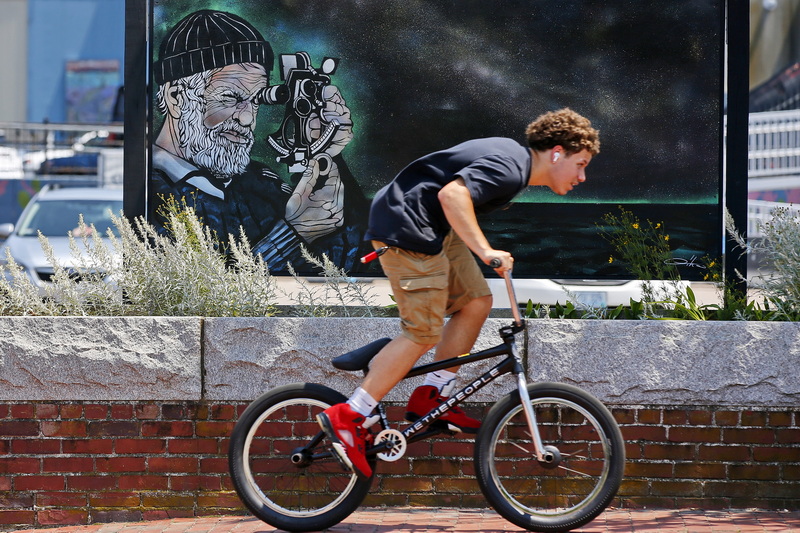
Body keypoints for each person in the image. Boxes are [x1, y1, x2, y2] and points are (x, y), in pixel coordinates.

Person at [316, 108, 601, 479]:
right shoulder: (512, 166)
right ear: (557, 153)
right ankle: (350, 413)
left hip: (432, 228)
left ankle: (432, 395)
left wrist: (481, 248)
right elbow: (454, 195)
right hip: (407, 228)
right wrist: (486, 251)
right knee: (423, 330)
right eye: (580, 164)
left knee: (476, 302)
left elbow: (450, 196)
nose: (583, 176)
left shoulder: (513, 165)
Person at [151, 10, 364, 270]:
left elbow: (355, 262)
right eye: (231, 98)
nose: (247, 119)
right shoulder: (148, 192)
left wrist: (327, 155)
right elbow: (197, 295)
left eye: (256, 100)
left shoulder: (260, 184)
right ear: (176, 97)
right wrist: (294, 234)